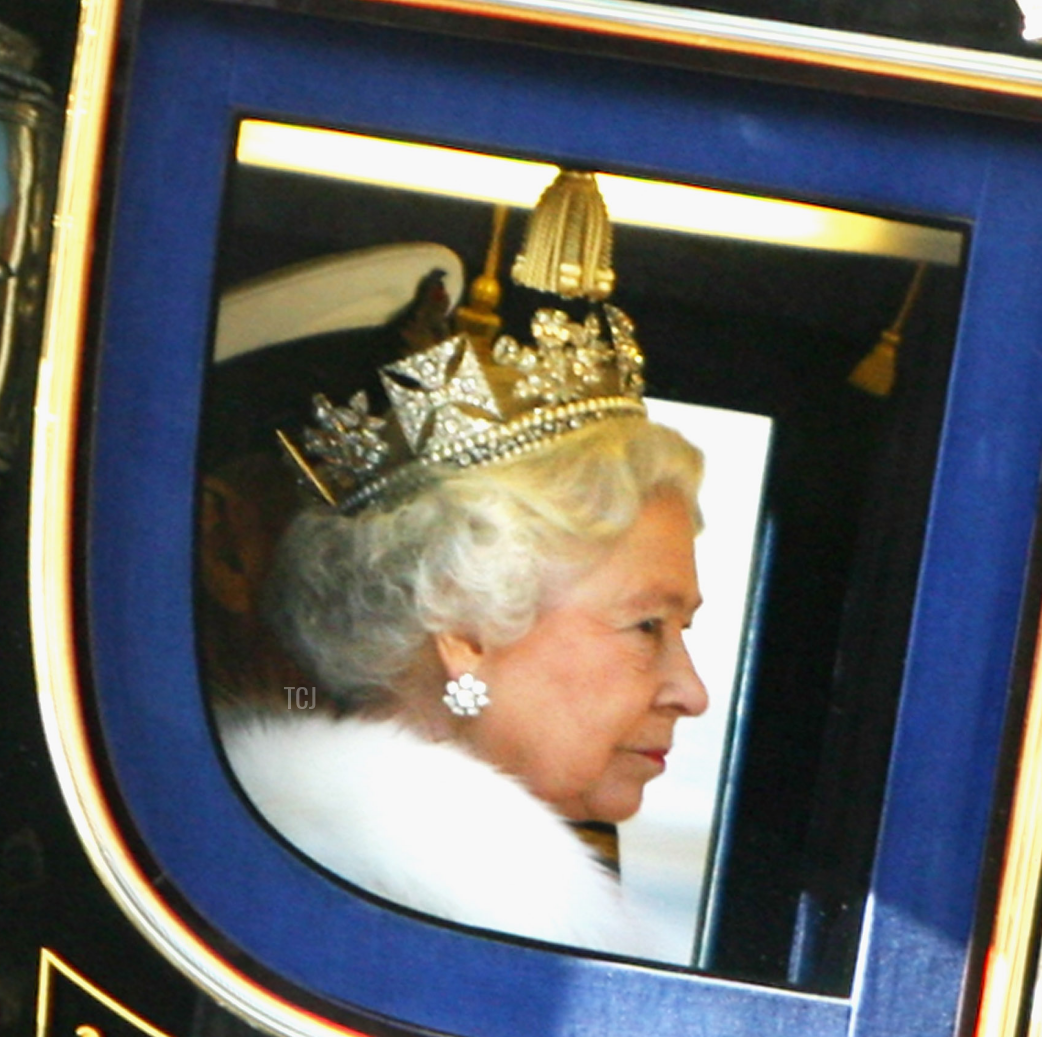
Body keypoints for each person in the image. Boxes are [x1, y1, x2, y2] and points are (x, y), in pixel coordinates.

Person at [217, 178, 708, 958]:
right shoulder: (477, 905)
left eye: (680, 629)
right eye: (646, 624)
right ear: (465, 627)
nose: (693, 692)